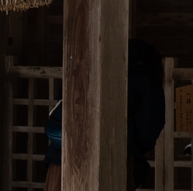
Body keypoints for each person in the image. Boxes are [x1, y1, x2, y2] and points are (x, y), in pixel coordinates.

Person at [42, 39, 166, 191]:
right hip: (113, 158)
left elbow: (62, 100)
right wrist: (132, 146)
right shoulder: (145, 75)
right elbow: (149, 127)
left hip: (62, 157)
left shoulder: (88, 63)